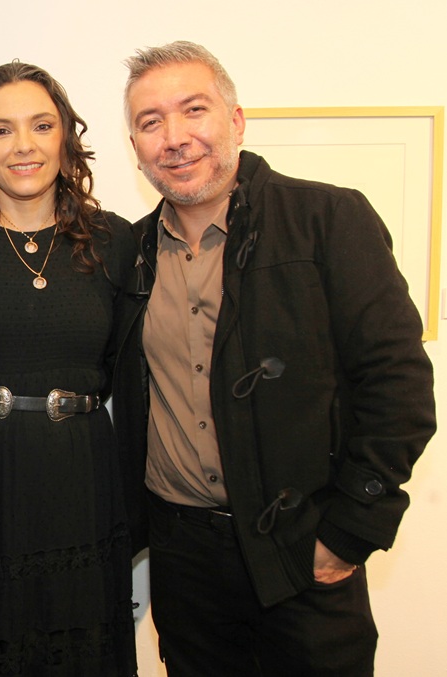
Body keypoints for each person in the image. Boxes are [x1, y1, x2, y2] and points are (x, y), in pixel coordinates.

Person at [113, 40, 436, 676]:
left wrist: (348, 531)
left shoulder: (328, 218)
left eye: (194, 110)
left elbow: (398, 385)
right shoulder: (130, 253)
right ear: (136, 146)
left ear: (235, 120)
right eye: (151, 123)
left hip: (300, 549)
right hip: (185, 562)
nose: (175, 138)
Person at [0, 62, 138, 676]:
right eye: (2, 130)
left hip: (80, 477)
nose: (24, 145)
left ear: (65, 134)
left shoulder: (116, 242)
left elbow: (131, 371)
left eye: (41, 125)